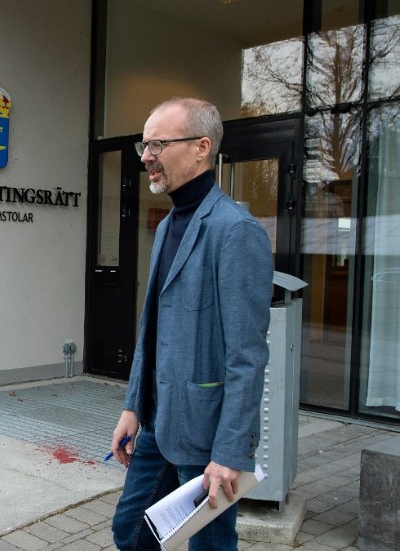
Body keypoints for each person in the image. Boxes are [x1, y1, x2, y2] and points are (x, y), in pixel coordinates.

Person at [109, 97, 273, 550]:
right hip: (158, 425)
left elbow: (247, 356)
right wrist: (132, 406)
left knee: (210, 547)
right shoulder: (168, 226)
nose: (146, 156)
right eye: (144, 145)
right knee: (131, 532)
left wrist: (230, 453)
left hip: (207, 438)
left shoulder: (236, 231)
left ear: (202, 147)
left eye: (157, 145)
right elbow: (152, 330)